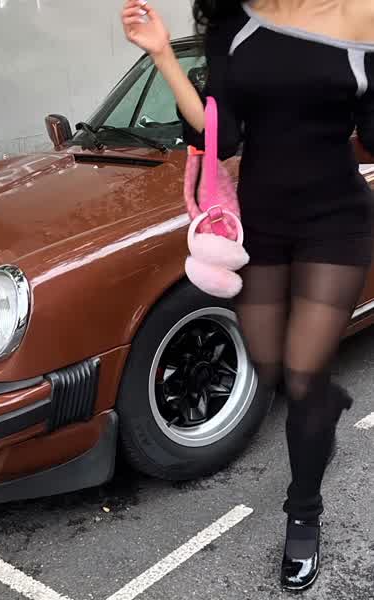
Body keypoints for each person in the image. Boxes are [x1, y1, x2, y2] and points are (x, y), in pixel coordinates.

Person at [121, 0, 374, 592]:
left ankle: (303, 515)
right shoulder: (235, 23)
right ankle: (323, 397)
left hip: (337, 224)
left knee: (303, 375)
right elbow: (222, 135)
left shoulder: (362, 14)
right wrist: (163, 55)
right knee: (266, 362)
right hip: (258, 223)